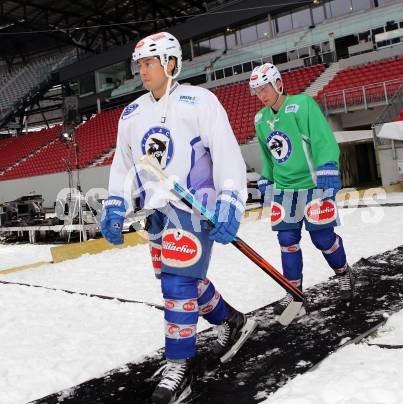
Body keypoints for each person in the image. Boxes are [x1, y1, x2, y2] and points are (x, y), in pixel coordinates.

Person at [100, 32, 256, 404]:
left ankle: (180, 367)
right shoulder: (132, 113)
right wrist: (114, 205)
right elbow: (123, 166)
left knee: (177, 286)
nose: (142, 70)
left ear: (171, 63)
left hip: (194, 207)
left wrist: (231, 200)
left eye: (149, 62)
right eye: (139, 64)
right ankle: (233, 322)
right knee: (183, 280)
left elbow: (226, 153)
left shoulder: (200, 101)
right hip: (156, 214)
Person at [249, 63, 355, 315]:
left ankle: (344, 272)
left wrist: (328, 165)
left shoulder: (302, 105)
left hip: (313, 186)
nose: (261, 95)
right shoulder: (261, 119)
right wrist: (267, 177)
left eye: (264, 88)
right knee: (287, 241)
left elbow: (321, 137)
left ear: (277, 83)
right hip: (285, 190)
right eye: (257, 91)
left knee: (323, 239)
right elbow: (269, 154)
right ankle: (294, 293)